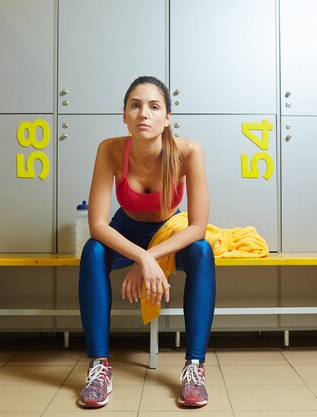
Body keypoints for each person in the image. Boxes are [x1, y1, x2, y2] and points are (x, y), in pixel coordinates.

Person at [78, 76, 216, 408]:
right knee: (92, 251)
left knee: (202, 251)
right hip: (125, 230)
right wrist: (142, 258)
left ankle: (194, 368)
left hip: (171, 231)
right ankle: (99, 366)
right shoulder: (109, 149)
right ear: (124, 115)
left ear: (167, 118)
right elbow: (97, 225)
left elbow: (197, 227)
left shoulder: (188, 152)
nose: (144, 113)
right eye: (135, 106)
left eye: (154, 107)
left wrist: (148, 258)